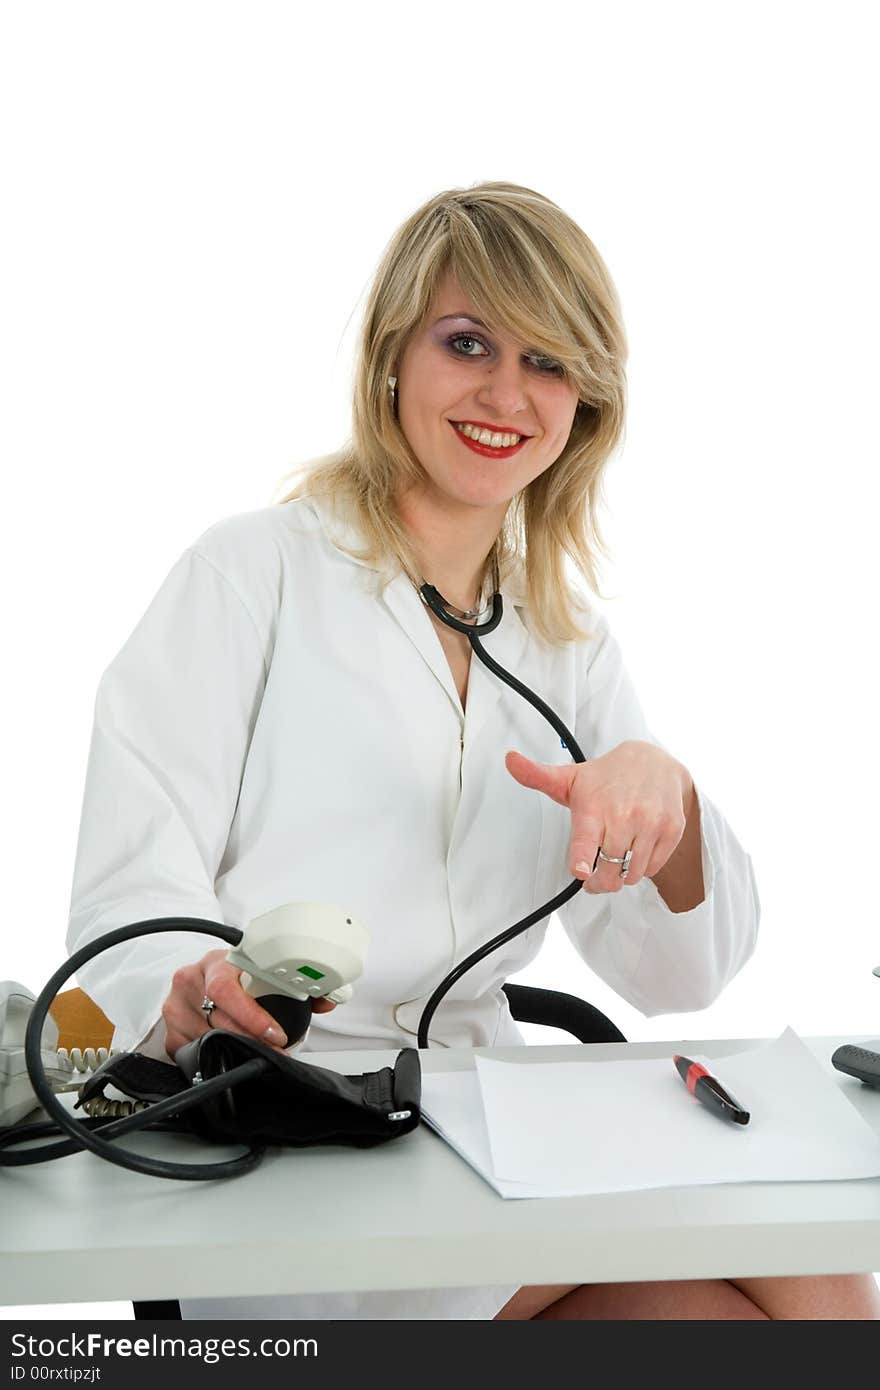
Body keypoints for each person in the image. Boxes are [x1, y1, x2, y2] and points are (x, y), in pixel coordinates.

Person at [66, 181, 879, 1320]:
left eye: (548, 362)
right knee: (806, 1276)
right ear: (392, 354)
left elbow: (675, 975)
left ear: (584, 402)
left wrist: (667, 799)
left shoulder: (565, 635)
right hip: (287, 1139)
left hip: (492, 1135)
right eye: (468, 343)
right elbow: (120, 911)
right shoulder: (249, 576)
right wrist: (185, 997)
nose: (508, 393)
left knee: (780, 1294)